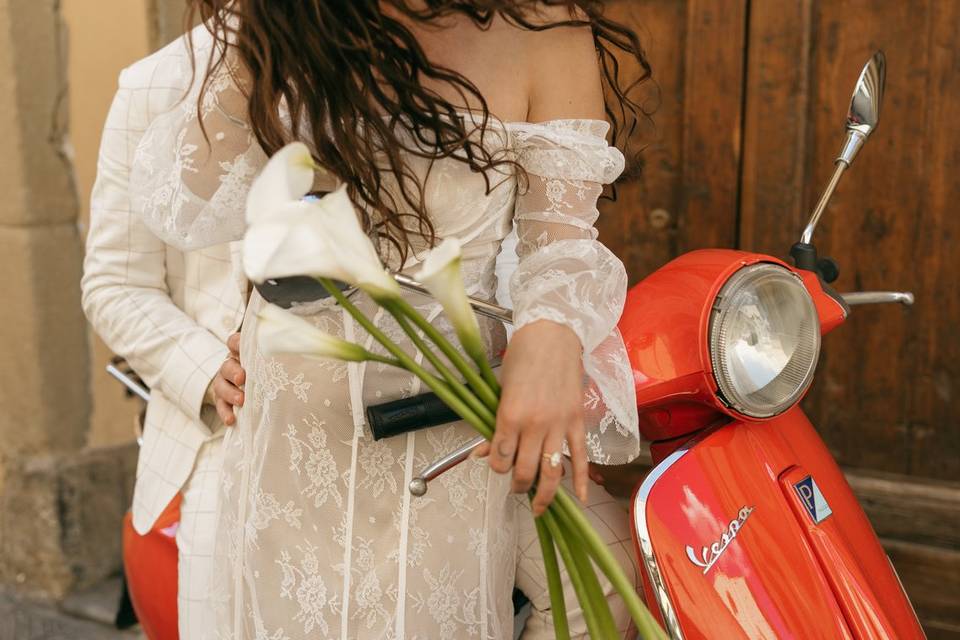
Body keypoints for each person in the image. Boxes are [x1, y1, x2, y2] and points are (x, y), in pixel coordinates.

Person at [129, 2, 651, 638]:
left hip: (443, 435)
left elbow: (563, 245)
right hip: (293, 433)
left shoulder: (544, 27)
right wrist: (260, 38)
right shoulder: (286, 25)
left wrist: (551, 330)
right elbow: (186, 206)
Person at [81, 34, 250, 638]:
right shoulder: (157, 83)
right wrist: (205, 368)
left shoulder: (405, 55)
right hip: (220, 452)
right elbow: (113, 283)